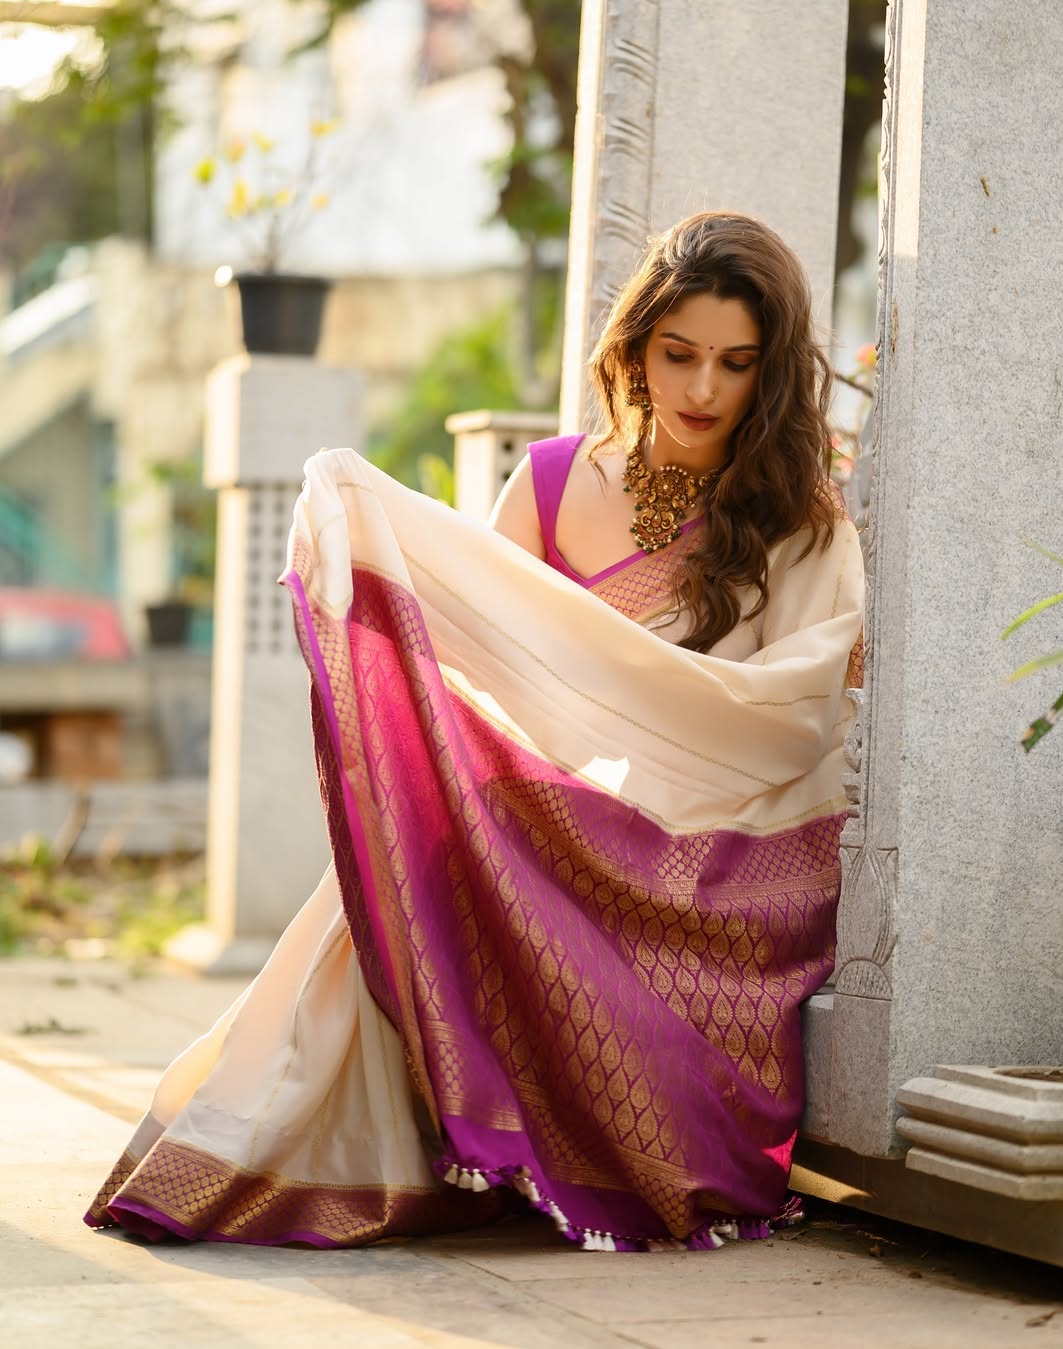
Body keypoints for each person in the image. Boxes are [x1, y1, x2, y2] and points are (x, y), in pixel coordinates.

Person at [86, 212, 863, 1253]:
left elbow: (790, 708)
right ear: (632, 350)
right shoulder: (548, 481)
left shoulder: (797, 513)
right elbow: (471, 662)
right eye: (678, 355)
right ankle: (304, 1143)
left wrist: (635, 727)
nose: (704, 390)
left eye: (736, 363)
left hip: (701, 854)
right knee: (395, 865)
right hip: (553, 809)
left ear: (769, 372)